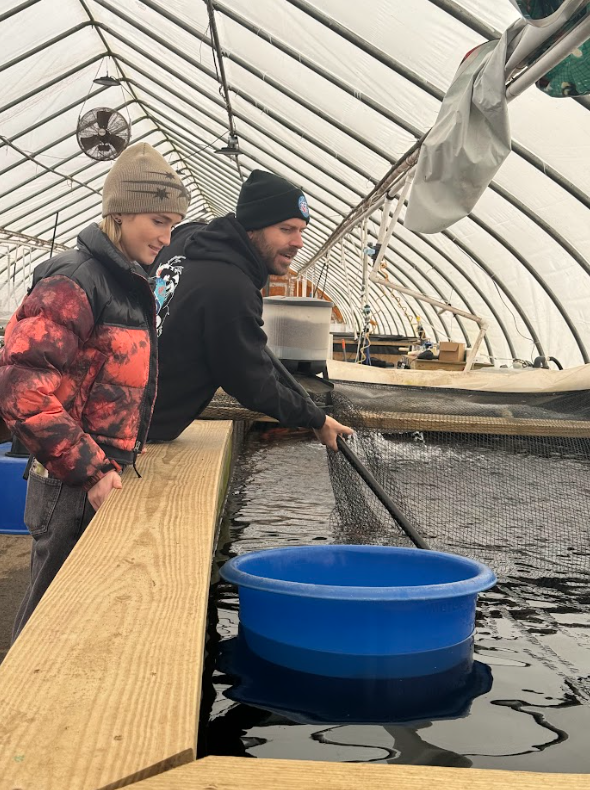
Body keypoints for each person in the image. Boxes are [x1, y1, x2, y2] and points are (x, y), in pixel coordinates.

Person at [0, 142, 189, 638]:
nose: (167, 238)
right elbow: (22, 391)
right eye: (158, 221)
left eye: (172, 224)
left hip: (96, 476)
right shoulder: (75, 280)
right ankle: (17, 710)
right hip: (69, 482)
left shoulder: (127, 282)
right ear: (121, 214)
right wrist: (92, 470)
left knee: (78, 610)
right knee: (48, 616)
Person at [148, 170, 353, 449]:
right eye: (286, 229)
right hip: (143, 427)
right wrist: (315, 419)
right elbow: (252, 383)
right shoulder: (232, 289)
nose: (299, 242)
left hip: (116, 402)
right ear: (252, 228)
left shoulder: (187, 238)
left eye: (301, 230)